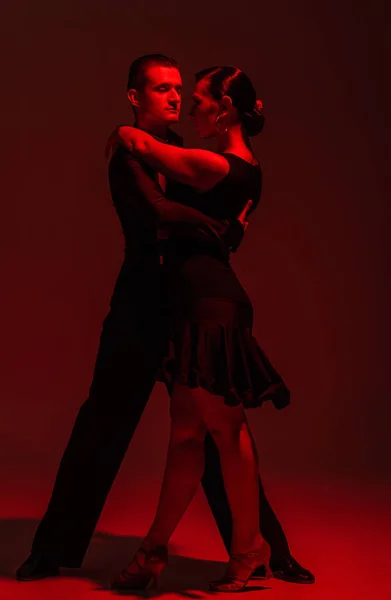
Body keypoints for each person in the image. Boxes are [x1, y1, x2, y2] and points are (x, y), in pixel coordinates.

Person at [16, 55, 314, 587]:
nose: (175, 97)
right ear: (136, 96)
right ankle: (51, 549)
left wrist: (225, 230)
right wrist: (212, 227)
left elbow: (231, 204)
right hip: (137, 304)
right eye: (161, 89)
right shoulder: (127, 151)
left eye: (180, 89)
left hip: (189, 305)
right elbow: (157, 211)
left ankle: (268, 552)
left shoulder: (185, 153)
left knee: (212, 430)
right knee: (103, 422)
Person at [106, 64, 313, 592]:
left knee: (225, 428)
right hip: (194, 305)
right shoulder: (234, 166)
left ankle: (249, 549)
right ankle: (154, 550)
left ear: (223, 107)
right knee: (185, 436)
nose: (189, 107)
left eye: (197, 99)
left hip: (211, 305)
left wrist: (127, 132)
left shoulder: (228, 166)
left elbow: (154, 154)